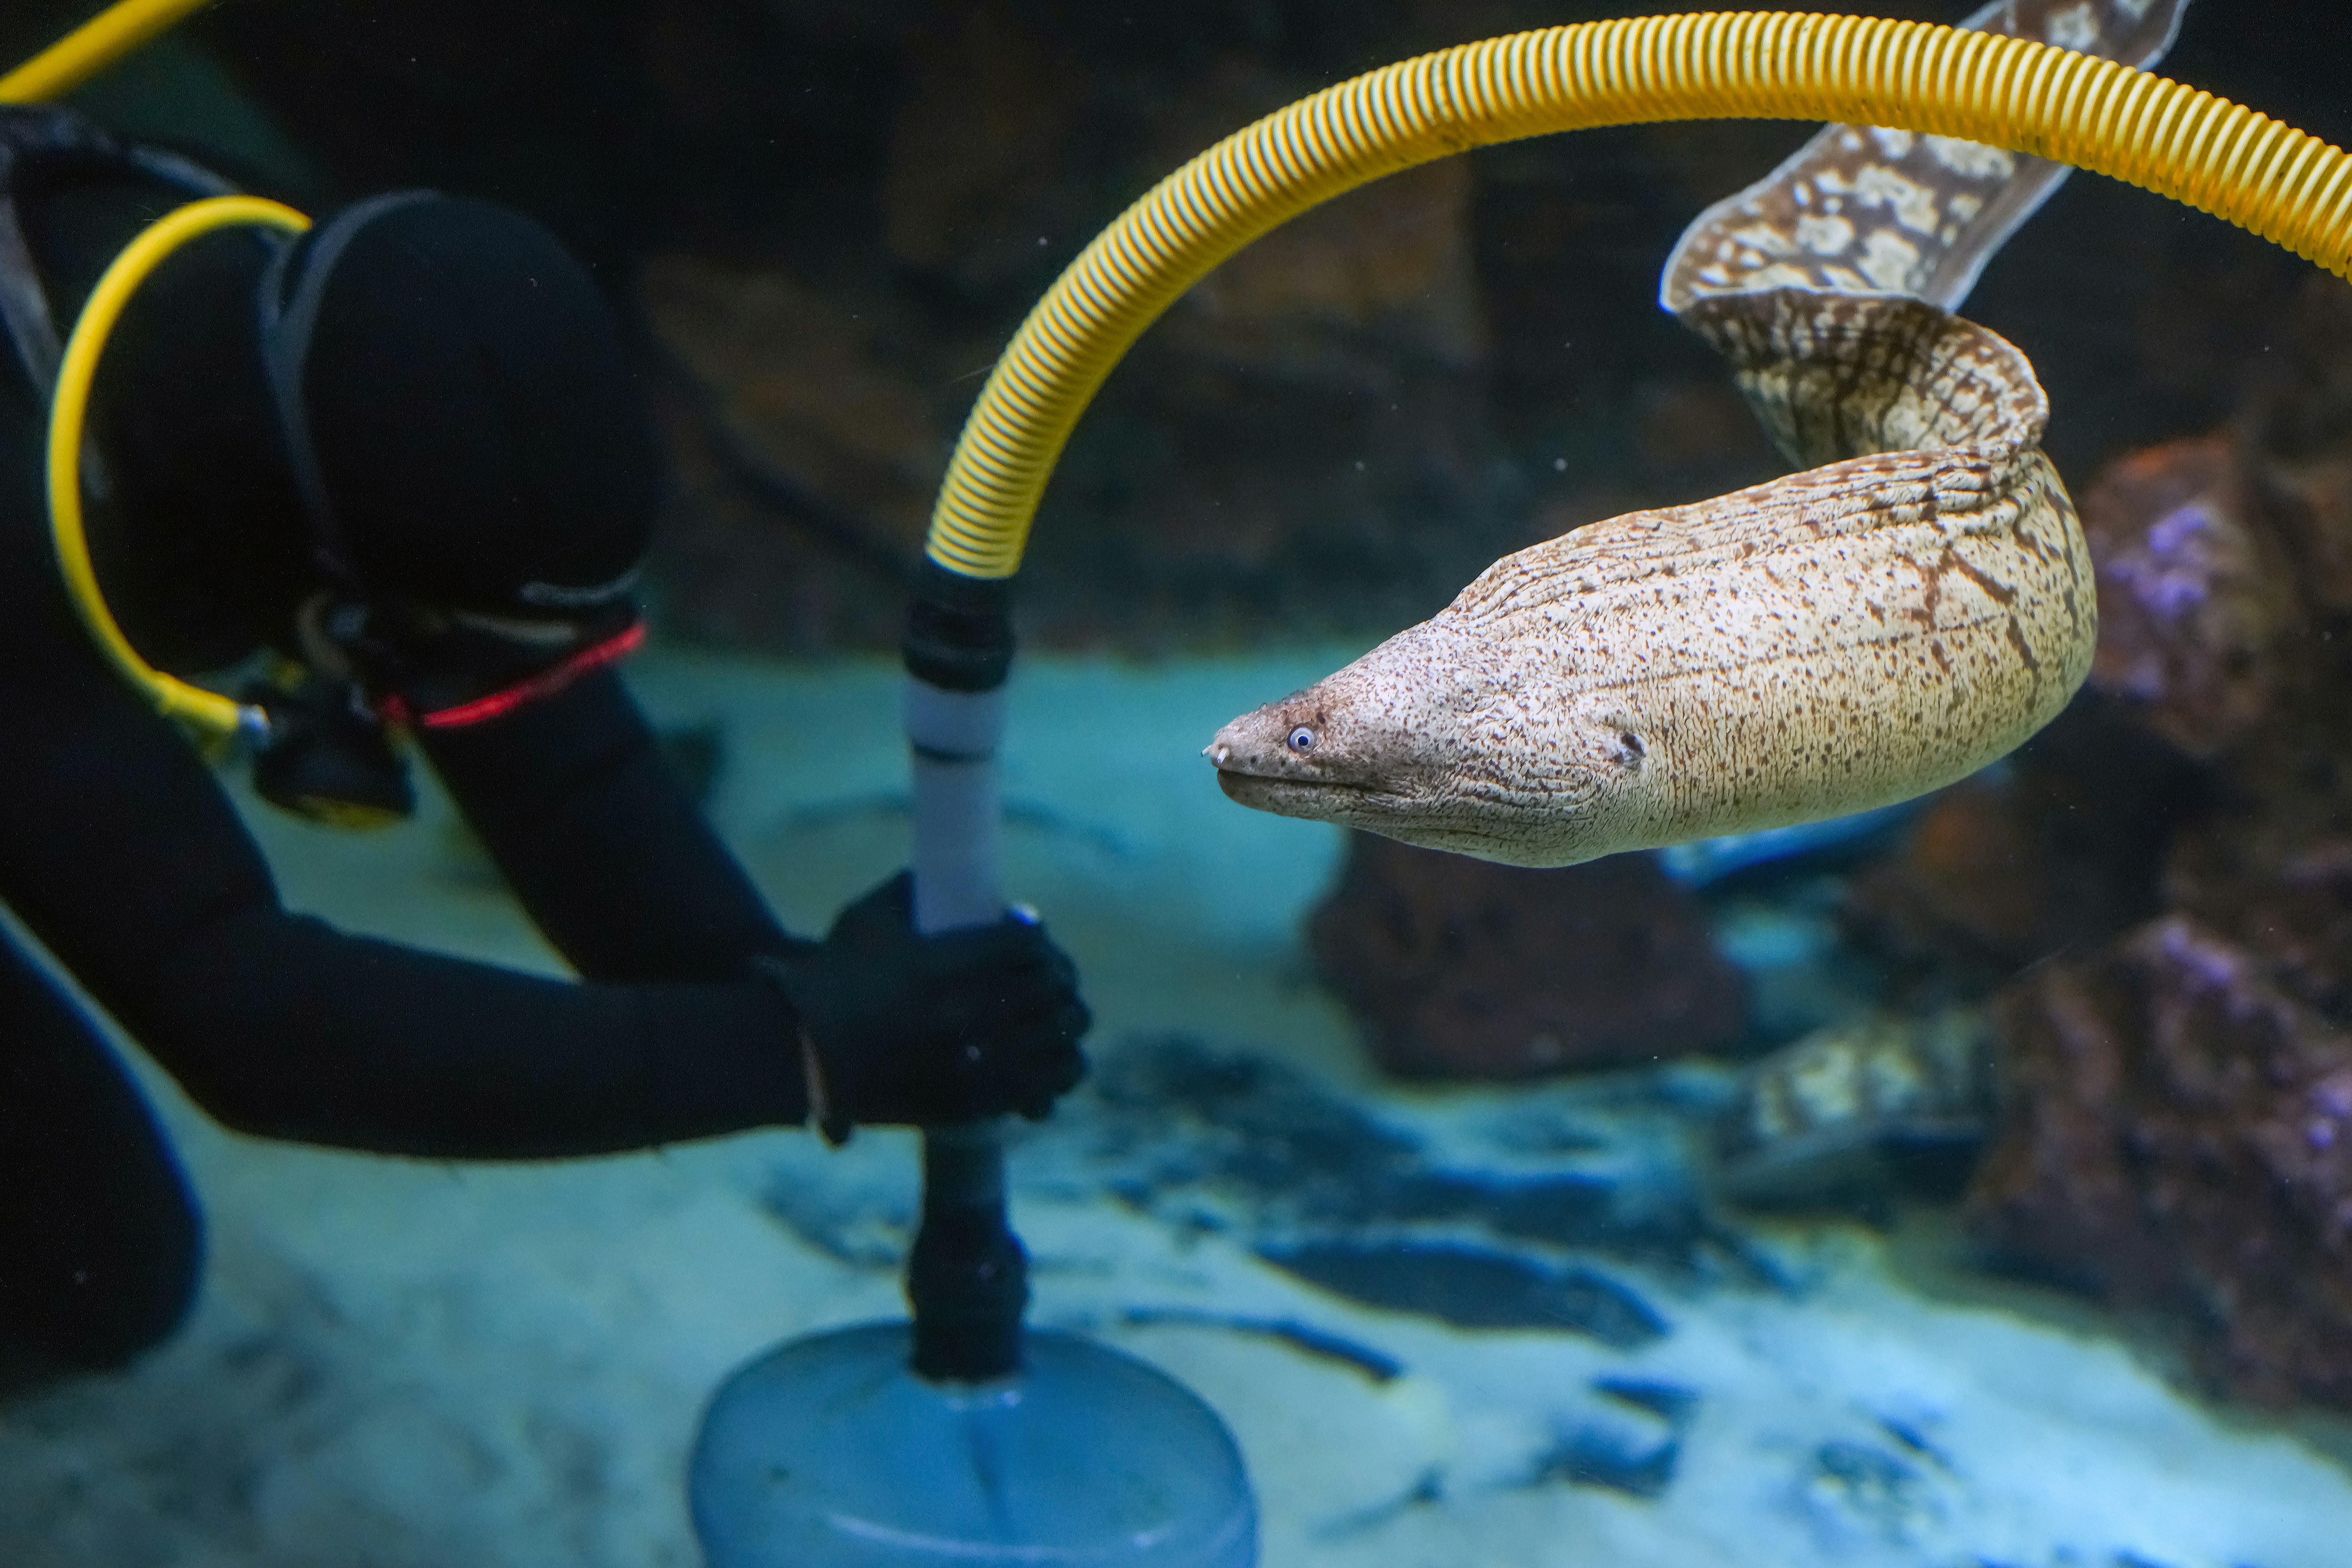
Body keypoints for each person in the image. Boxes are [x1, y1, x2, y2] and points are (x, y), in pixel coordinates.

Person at [0, 105, 1089, 1379]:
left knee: (98, 1277)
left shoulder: (307, 331)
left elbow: (539, 736)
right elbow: (245, 1015)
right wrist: (803, 1051)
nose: (523, 689)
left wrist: (811, 995)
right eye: (448, 638)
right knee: (72, 1267)